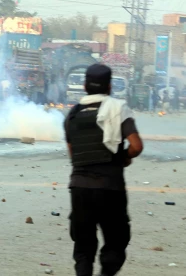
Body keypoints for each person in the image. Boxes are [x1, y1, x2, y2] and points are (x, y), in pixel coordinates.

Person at [64, 64, 143, 276]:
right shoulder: (118, 109)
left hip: (79, 189)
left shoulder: (72, 115)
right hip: (110, 188)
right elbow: (136, 146)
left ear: (84, 86)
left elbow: (74, 156)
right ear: (109, 87)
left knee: (83, 247)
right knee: (116, 242)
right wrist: (124, 158)